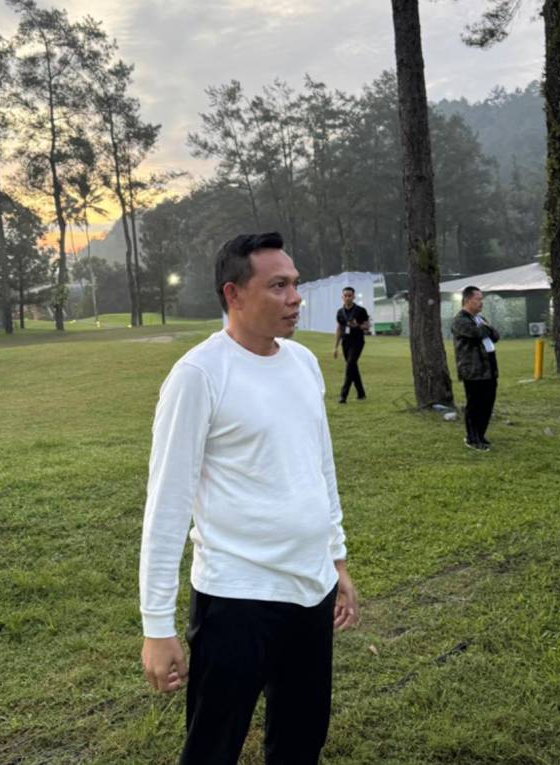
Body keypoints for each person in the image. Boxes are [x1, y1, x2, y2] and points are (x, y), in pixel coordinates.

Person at [140, 232, 358, 765]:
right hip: (237, 598)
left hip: (311, 589)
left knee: (301, 740)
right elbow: (167, 505)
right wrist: (157, 627)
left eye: (296, 284)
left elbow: (320, 467)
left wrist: (336, 559)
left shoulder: (303, 362)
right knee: (213, 747)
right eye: (278, 286)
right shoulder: (198, 375)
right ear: (233, 294)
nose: (296, 298)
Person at [451, 286, 500, 451]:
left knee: (487, 403)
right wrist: (486, 328)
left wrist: (486, 328)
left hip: (489, 367)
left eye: (481, 299)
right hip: (473, 369)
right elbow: (477, 333)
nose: (481, 302)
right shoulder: (460, 320)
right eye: (478, 299)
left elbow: (496, 335)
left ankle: (481, 434)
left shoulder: (480, 318)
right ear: (467, 300)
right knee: (475, 404)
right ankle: (472, 438)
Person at [333, 286, 370, 403]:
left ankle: (343, 395)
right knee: (353, 367)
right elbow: (339, 329)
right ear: (342, 297)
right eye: (345, 296)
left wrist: (358, 325)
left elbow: (367, 326)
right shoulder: (340, 312)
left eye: (350, 296)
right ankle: (361, 393)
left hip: (357, 341)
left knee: (350, 365)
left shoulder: (360, 311)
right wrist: (335, 347)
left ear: (354, 297)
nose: (348, 298)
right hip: (345, 342)